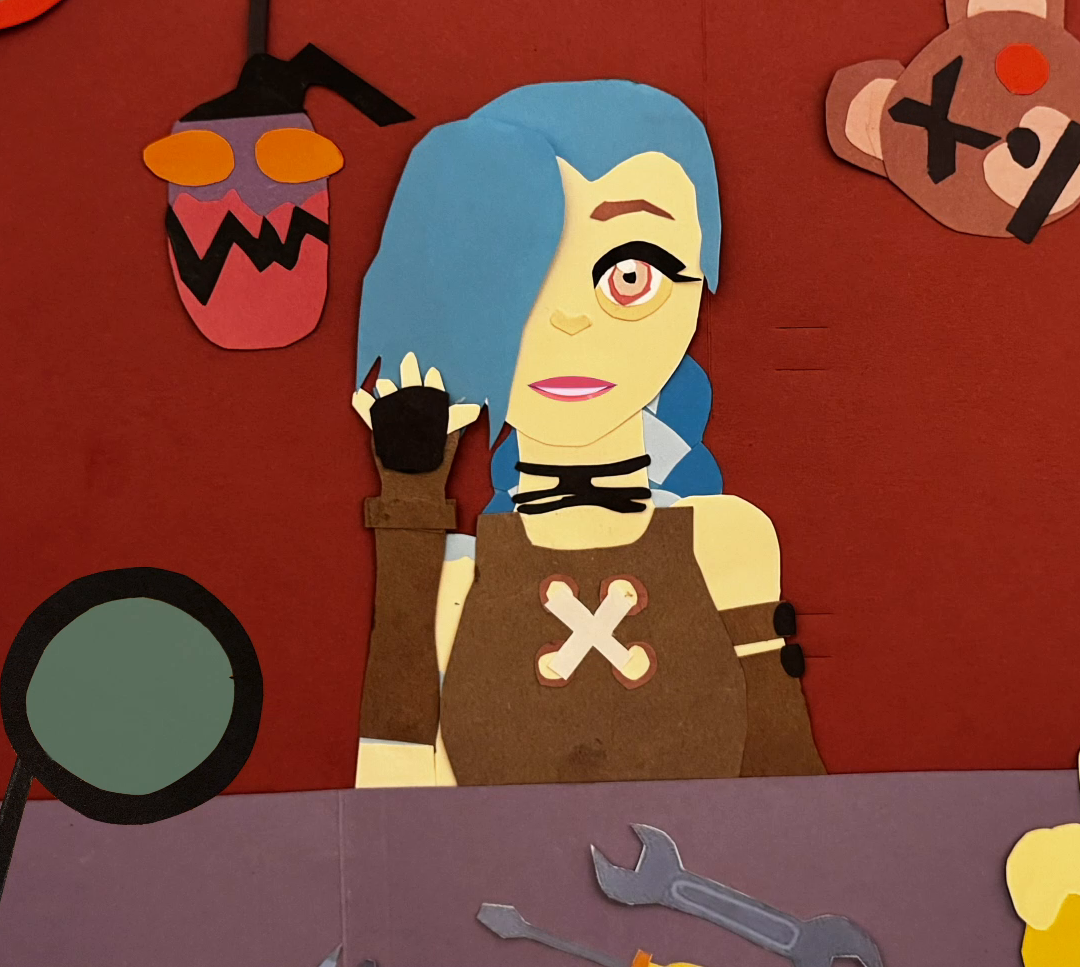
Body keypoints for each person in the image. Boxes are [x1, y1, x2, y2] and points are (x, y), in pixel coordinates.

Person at [348, 80, 824, 786]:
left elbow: (786, 778)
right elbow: (394, 791)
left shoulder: (729, 541)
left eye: (631, 274)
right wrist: (410, 505)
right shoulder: (455, 581)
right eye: (523, 278)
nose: (568, 318)